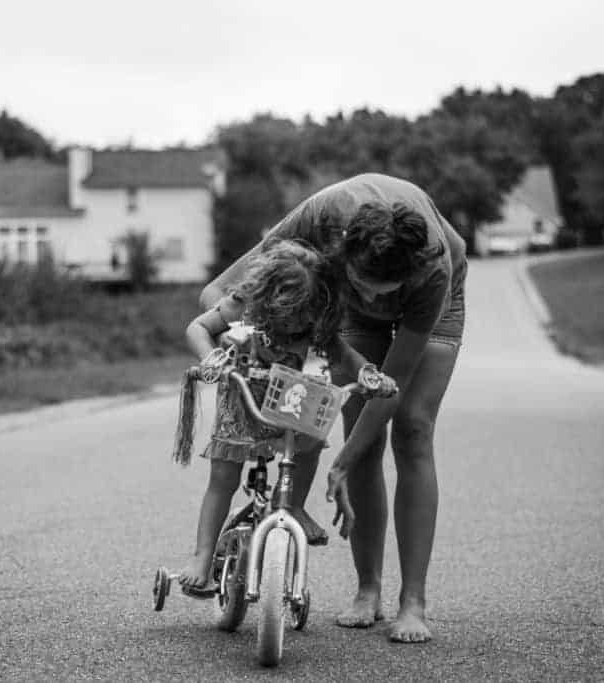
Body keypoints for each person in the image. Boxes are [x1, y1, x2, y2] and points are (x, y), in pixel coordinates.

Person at [200, 173, 467, 643]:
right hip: (349, 312)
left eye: (385, 290)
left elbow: (393, 384)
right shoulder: (323, 216)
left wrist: (338, 467)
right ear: (344, 251)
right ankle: (368, 591)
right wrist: (236, 345)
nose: (374, 299)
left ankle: (414, 602)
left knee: (413, 429)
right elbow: (219, 292)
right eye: (364, 285)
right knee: (358, 430)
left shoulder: (433, 271)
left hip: (437, 306)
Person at [174, 239, 370, 595]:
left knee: (310, 443)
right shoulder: (244, 301)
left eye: (303, 317)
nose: (296, 324)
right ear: (267, 297)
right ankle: (203, 555)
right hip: (243, 395)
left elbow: (343, 355)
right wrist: (210, 359)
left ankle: (293, 506)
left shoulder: (316, 315)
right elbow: (197, 328)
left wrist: (368, 372)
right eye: (287, 316)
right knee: (223, 475)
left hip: (291, 398)